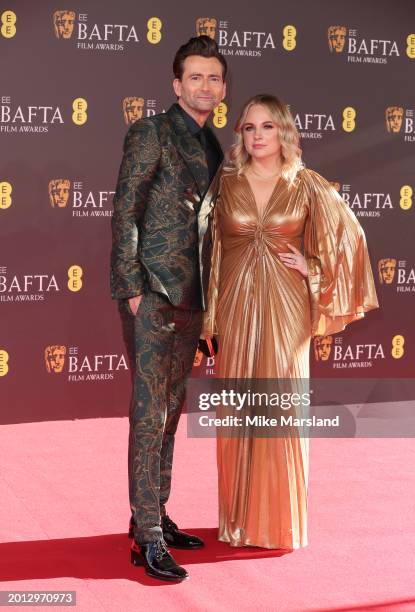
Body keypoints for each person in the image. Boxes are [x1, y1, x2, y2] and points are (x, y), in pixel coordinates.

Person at [203, 94, 379, 550]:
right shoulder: (225, 182)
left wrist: (313, 267)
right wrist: (208, 317)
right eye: (248, 128)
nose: (258, 136)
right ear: (240, 133)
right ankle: (238, 520)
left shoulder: (307, 184)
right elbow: (211, 251)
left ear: (284, 131)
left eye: (267, 127)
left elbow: (350, 240)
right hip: (236, 306)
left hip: (286, 308)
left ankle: (278, 521)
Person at [110, 36, 226, 581]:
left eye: (214, 78)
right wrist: (132, 287)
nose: (205, 86)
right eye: (195, 77)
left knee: (171, 411)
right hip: (152, 294)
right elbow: (125, 211)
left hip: (193, 300)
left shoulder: (217, 147)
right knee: (149, 413)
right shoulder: (150, 132)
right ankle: (147, 538)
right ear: (176, 84)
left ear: (223, 89)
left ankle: (156, 514)